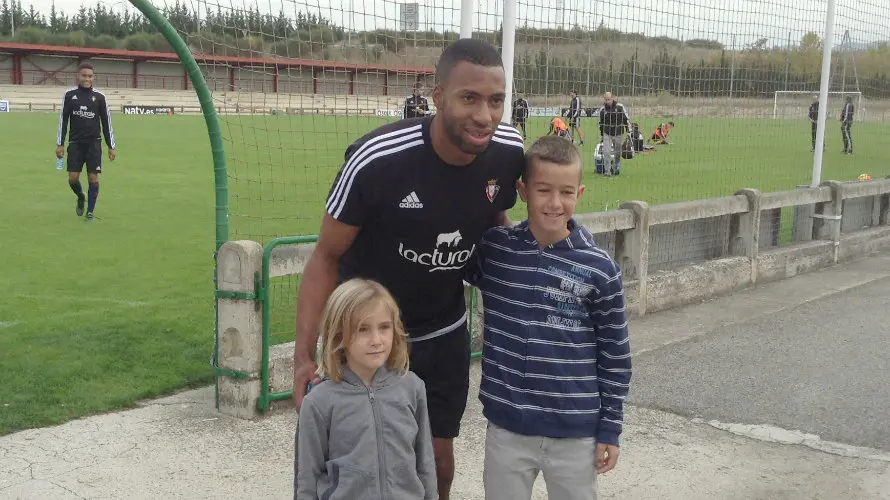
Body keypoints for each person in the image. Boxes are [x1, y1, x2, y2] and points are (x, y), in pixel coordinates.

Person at [291, 37, 525, 500]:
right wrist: (303, 358)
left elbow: (497, 217)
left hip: (443, 331)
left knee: (437, 464)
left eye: (496, 100)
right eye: (469, 98)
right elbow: (325, 257)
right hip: (367, 334)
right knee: (357, 465)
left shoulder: (508, 152)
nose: (484, 115)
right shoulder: (378, 159)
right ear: (437, 97)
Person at [466, 136, 632, 500]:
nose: (555, 203)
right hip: (507, 427)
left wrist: (610, 429)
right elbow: (444, 261)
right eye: (543, 190)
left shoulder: (599, 269)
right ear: (523, 191)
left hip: (575, 432)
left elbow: (615, 358)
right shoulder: (495, 250)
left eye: (566, 192)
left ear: (580, 192)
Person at [294, 278, 438, 500]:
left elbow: (425, 463)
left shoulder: (412, 388)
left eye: (384, 327)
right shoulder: (319, 402)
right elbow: (307, 478)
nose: (376, 340)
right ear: (339, 334)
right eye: (363, 329)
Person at [56, 62, 116, 221]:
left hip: (94, 144)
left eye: (90, 76)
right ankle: (81, 196)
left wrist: (111, 146)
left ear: (93, 77)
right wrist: (60, 143)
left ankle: (90, 212)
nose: (87, 79)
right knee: (73, 178)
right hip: (75, 143)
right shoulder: (69, 95)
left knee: (93, 178)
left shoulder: (100, 97)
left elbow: (106, 122)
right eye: (84, 75)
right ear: (78, 76)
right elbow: (63, 121)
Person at [598, 92, 630, 176]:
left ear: (612, 98)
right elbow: (601, 123)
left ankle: (615, 168)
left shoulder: (620, 107)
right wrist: (602, 134)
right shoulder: (602, 109)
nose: (607, 101)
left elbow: (626, 119)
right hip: (607, 133)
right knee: (607, 152)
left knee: (618, 153)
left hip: (618, 132)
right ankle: (607, 171)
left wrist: (628, 130)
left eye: (609, 99)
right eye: (606, 100)